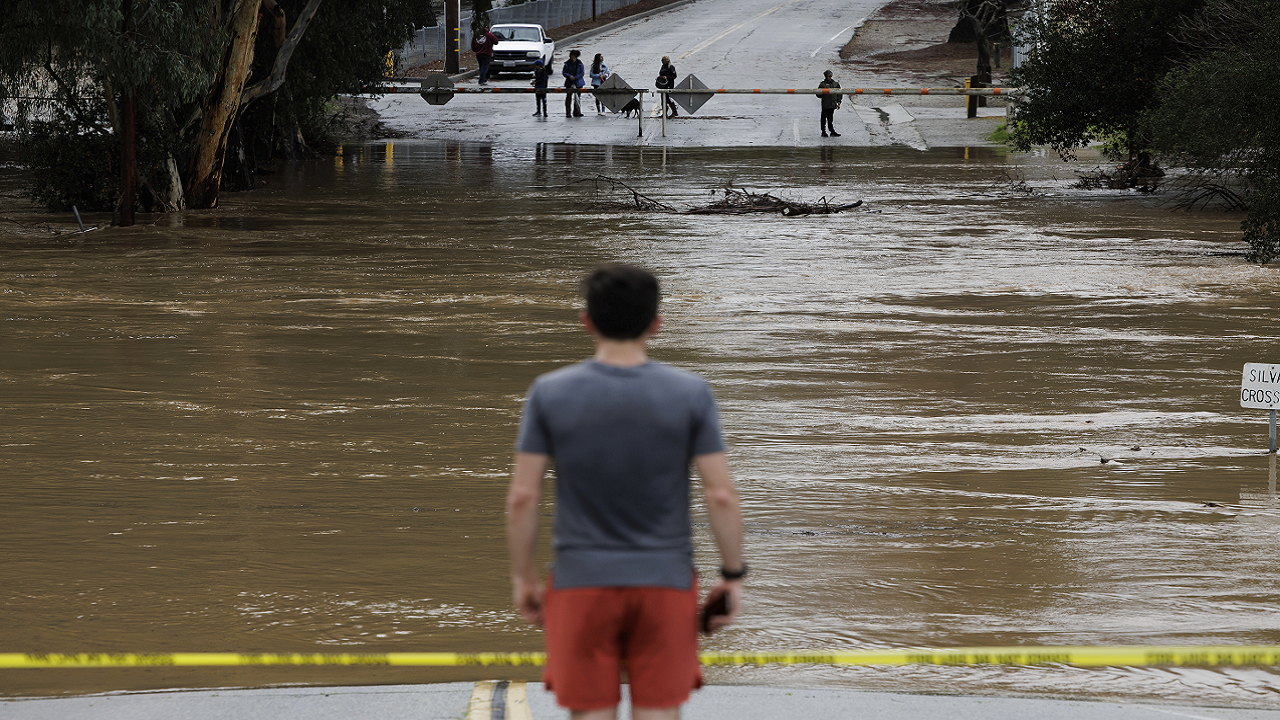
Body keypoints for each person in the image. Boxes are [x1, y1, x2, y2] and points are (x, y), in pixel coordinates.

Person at [507, 263, 746, 720]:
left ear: (587, 321)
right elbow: (721, 495)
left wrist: (525, 580)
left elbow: (523, 496)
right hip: (665, 581)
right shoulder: (690, 393)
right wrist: (732, 576)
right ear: (656, 324)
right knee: (658, 710)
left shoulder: (549, 393)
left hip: (580, 580)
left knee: (591, 711)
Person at [818, 70, 842, 137]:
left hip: (832, 104)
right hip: (825, 104)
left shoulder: (835, 84)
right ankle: (823, 131)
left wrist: (839, 102)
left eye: (830, 76)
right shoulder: (822, 84)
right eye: (828, 76)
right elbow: (818, 95)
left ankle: (831, 131)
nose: (829, 77)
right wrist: (823, 91)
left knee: (830, 118)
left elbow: (839, 94)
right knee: (823, 118)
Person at [562, 49, 586, 118]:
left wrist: (575, 77)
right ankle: (568, 112)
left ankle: (577, 111)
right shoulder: (567, 63)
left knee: (577, 97)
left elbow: (582, 73)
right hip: (569, 82)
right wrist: (569, 76)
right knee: (568, 97)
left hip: (578, 82)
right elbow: (564, 72)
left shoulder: (579, 63)